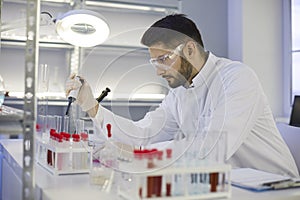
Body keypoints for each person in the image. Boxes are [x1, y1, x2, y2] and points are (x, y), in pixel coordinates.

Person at [66, 14, 299, 177]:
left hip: (275, 188)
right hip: (226, 185)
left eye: (164, 59)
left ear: (189, 49)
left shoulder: (237, 78)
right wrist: (91, 106)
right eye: (153, 62)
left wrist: (140, 154)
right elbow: (145, 134)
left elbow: (211, 149)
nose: (158, 71)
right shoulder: (180, 93)